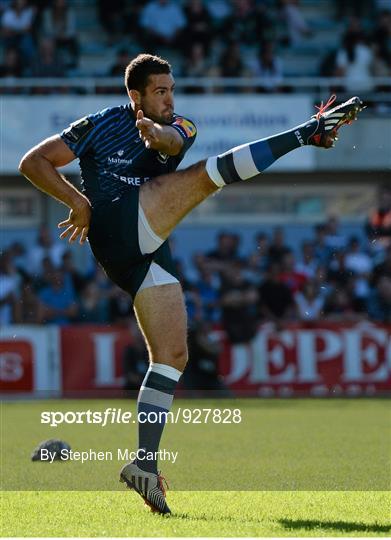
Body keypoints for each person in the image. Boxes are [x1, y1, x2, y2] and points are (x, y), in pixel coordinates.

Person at [18, 53, 364, 514]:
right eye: (160, 91)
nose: (169, 99)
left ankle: (143, 465)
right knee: (210, 175)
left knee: (171, 357)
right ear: (135, 95)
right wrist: (76, 200)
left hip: (144, 247)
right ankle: (307, 132)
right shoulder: (99, 124)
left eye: (171, 89)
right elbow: (33, 162)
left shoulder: (181, 125)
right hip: (116, 226)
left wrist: (156, 132)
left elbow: (168, 139)